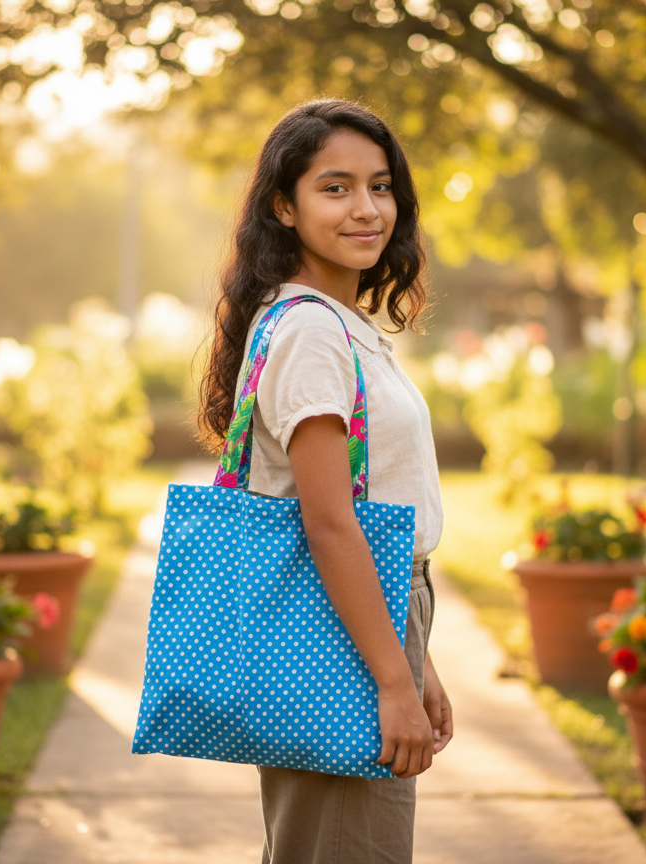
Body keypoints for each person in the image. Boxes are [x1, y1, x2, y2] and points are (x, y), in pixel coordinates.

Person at [197, 99, 453, 864]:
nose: (367, 209)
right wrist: (393, 680)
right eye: (335, 188)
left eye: (380, 186)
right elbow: (330, 523)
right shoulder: (311, 332)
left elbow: (376, 506)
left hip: (369, 621)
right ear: (285, 205)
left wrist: (418, 658)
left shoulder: (335, 322)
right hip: (343, 634)